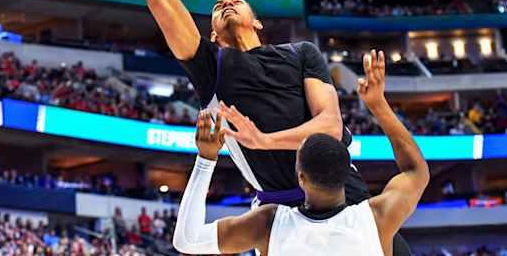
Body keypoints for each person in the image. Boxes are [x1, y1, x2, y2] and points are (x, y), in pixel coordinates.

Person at [112, 0, 412, 254]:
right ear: (214, 36)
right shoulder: (211, 66)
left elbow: (329, 126)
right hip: (280, 214)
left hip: (350, 200)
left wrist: (264, 140)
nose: (225, 2)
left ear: (258, 21)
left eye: (234, 0)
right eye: (217, 7)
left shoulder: (301, 52)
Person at [173, 50, 429, 255]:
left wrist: (205, 159)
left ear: (300, 178)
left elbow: (187, 240)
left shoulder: (270, 224)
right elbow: (416, 171)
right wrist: (378, 105)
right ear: (347, 173)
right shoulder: (377, 219)